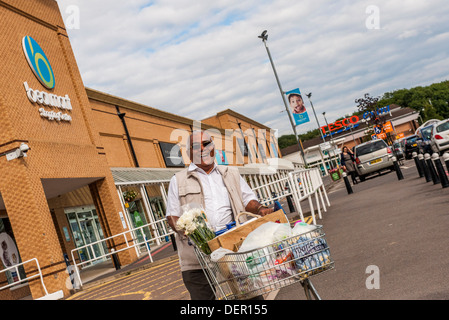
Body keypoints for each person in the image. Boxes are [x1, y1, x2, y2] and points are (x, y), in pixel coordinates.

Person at [166, 130, 274, 300]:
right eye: (196, 146)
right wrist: (186, 230)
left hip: (234, 250)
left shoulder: (231, 173)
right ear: (188, 153)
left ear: (213, 147)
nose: (202, 149)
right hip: (196, 257)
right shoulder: (178, 180)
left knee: (251, 297)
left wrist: (260, 208)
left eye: (206, 143)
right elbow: (172, 216)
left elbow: (248, 200)